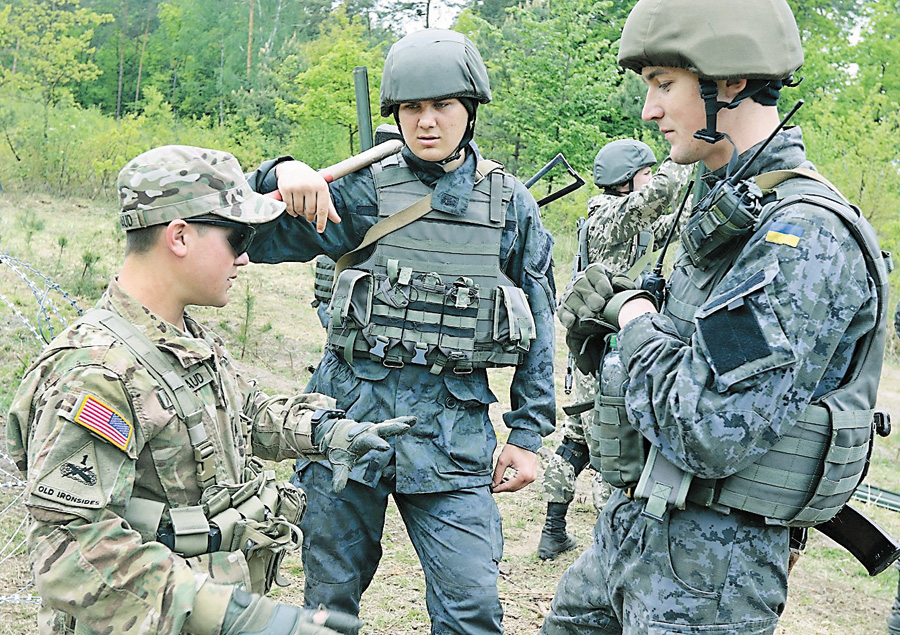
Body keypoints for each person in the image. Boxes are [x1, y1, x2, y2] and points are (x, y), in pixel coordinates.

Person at [543, 0, 891, 632]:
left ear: (729, 81)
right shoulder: (725, 209)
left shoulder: (803, 237)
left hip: (709, 574)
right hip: (631, 532)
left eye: (663, 84)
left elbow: (710, 427)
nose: (648, 110)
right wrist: (603, 341)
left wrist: (633, 319)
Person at [6, 145, 414, 635]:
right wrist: (238, 618)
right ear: (179, 236)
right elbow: (71, 551)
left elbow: (242, 412)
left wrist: (329, 432)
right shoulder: (97, 371)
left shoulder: (184, 339)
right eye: (235, 236)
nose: (244, 258)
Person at [244, 28, 556, 635]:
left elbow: (540, 323)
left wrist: (527, 433)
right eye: (413, 108)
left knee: (472, 610)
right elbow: (254, 237)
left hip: (452, 431)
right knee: (328, 608)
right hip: (345, 419)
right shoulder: (360, 190)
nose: (428, 122)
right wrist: (281, 174)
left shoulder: (510, 205)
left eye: (443, 106)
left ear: (470, 110)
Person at [538, 139, 693, 560]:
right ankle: (609, 544)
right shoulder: (608, 216)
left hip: (607, 344)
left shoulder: (626, 223)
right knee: (613, 441)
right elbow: (660, 197)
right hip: (601, 346)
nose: (649, 182)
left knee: (578, 437)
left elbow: (675, 221)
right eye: (644, 174)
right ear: (627, 180)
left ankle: (553, 531)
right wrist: (684, 153)